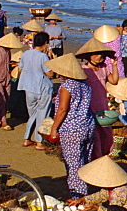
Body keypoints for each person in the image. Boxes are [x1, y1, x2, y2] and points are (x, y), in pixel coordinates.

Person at [46, 54, 95, 198]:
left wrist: (54, 128)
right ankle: (84, 191)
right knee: (84, 161)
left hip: (72, 129)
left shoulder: (67, 86)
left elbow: (62, 109)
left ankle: (78, 197)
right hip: (87, 125)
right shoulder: (85, 85)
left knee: (74, 165)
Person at [76, 37, 120, 159]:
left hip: (103, 106)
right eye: (96, 54)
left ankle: (104, 156)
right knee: (95, 137)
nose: (99, 56)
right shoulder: (84, 70)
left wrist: (114, 66)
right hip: (90, 107)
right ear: (89, 55)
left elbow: (114, 81)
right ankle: (97, 160)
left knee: (106, 135)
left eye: (101, 54)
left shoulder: (103, 68)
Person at [18, 32, 53, 150]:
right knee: (42, 114)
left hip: (28, 87)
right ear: (45, 43)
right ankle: (39, 141)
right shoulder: (43, 56)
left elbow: (20, 69)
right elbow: (49, 73)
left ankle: (27, 138)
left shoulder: (26, 54)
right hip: (41, 87)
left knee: (32, 114)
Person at [0, 34, 22, 130]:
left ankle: (1, 118)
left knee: (7, 98)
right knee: (0, 99)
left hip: (7, 77)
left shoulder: (8, 52)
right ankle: (3, 120)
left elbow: (7, 64)